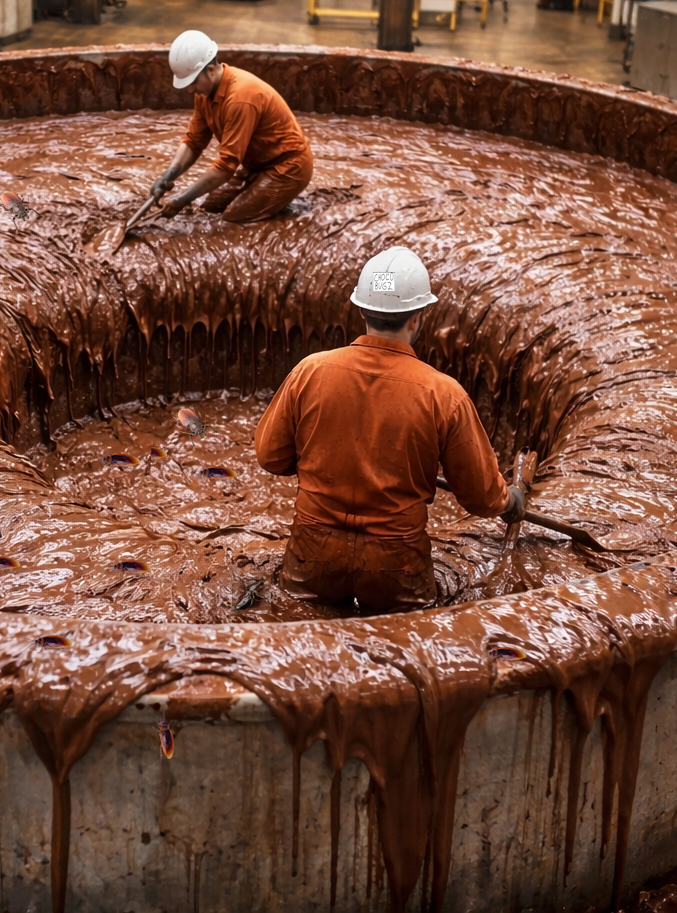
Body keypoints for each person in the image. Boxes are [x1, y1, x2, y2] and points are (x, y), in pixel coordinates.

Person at [254, 247, 527, 611]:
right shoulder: (443, 394)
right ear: (416, 318)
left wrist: (317, 458)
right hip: (396, 564)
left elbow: (270, 456)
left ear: (362, 310)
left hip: (312, 555)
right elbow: (479, 495)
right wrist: (510, 500)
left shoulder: (310, 372)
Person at [150, 30, 314, 224]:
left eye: (193, 81)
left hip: (287, 167)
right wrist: (168, 176)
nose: (190, 89)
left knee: (233, 217)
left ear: (211, 69)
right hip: (255, 165)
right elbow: (194, 141)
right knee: (210, 207)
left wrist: (182, 199)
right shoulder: (204, 93)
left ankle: (279, 198)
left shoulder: (240, 98)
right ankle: (262, 190)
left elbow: (226, 166)